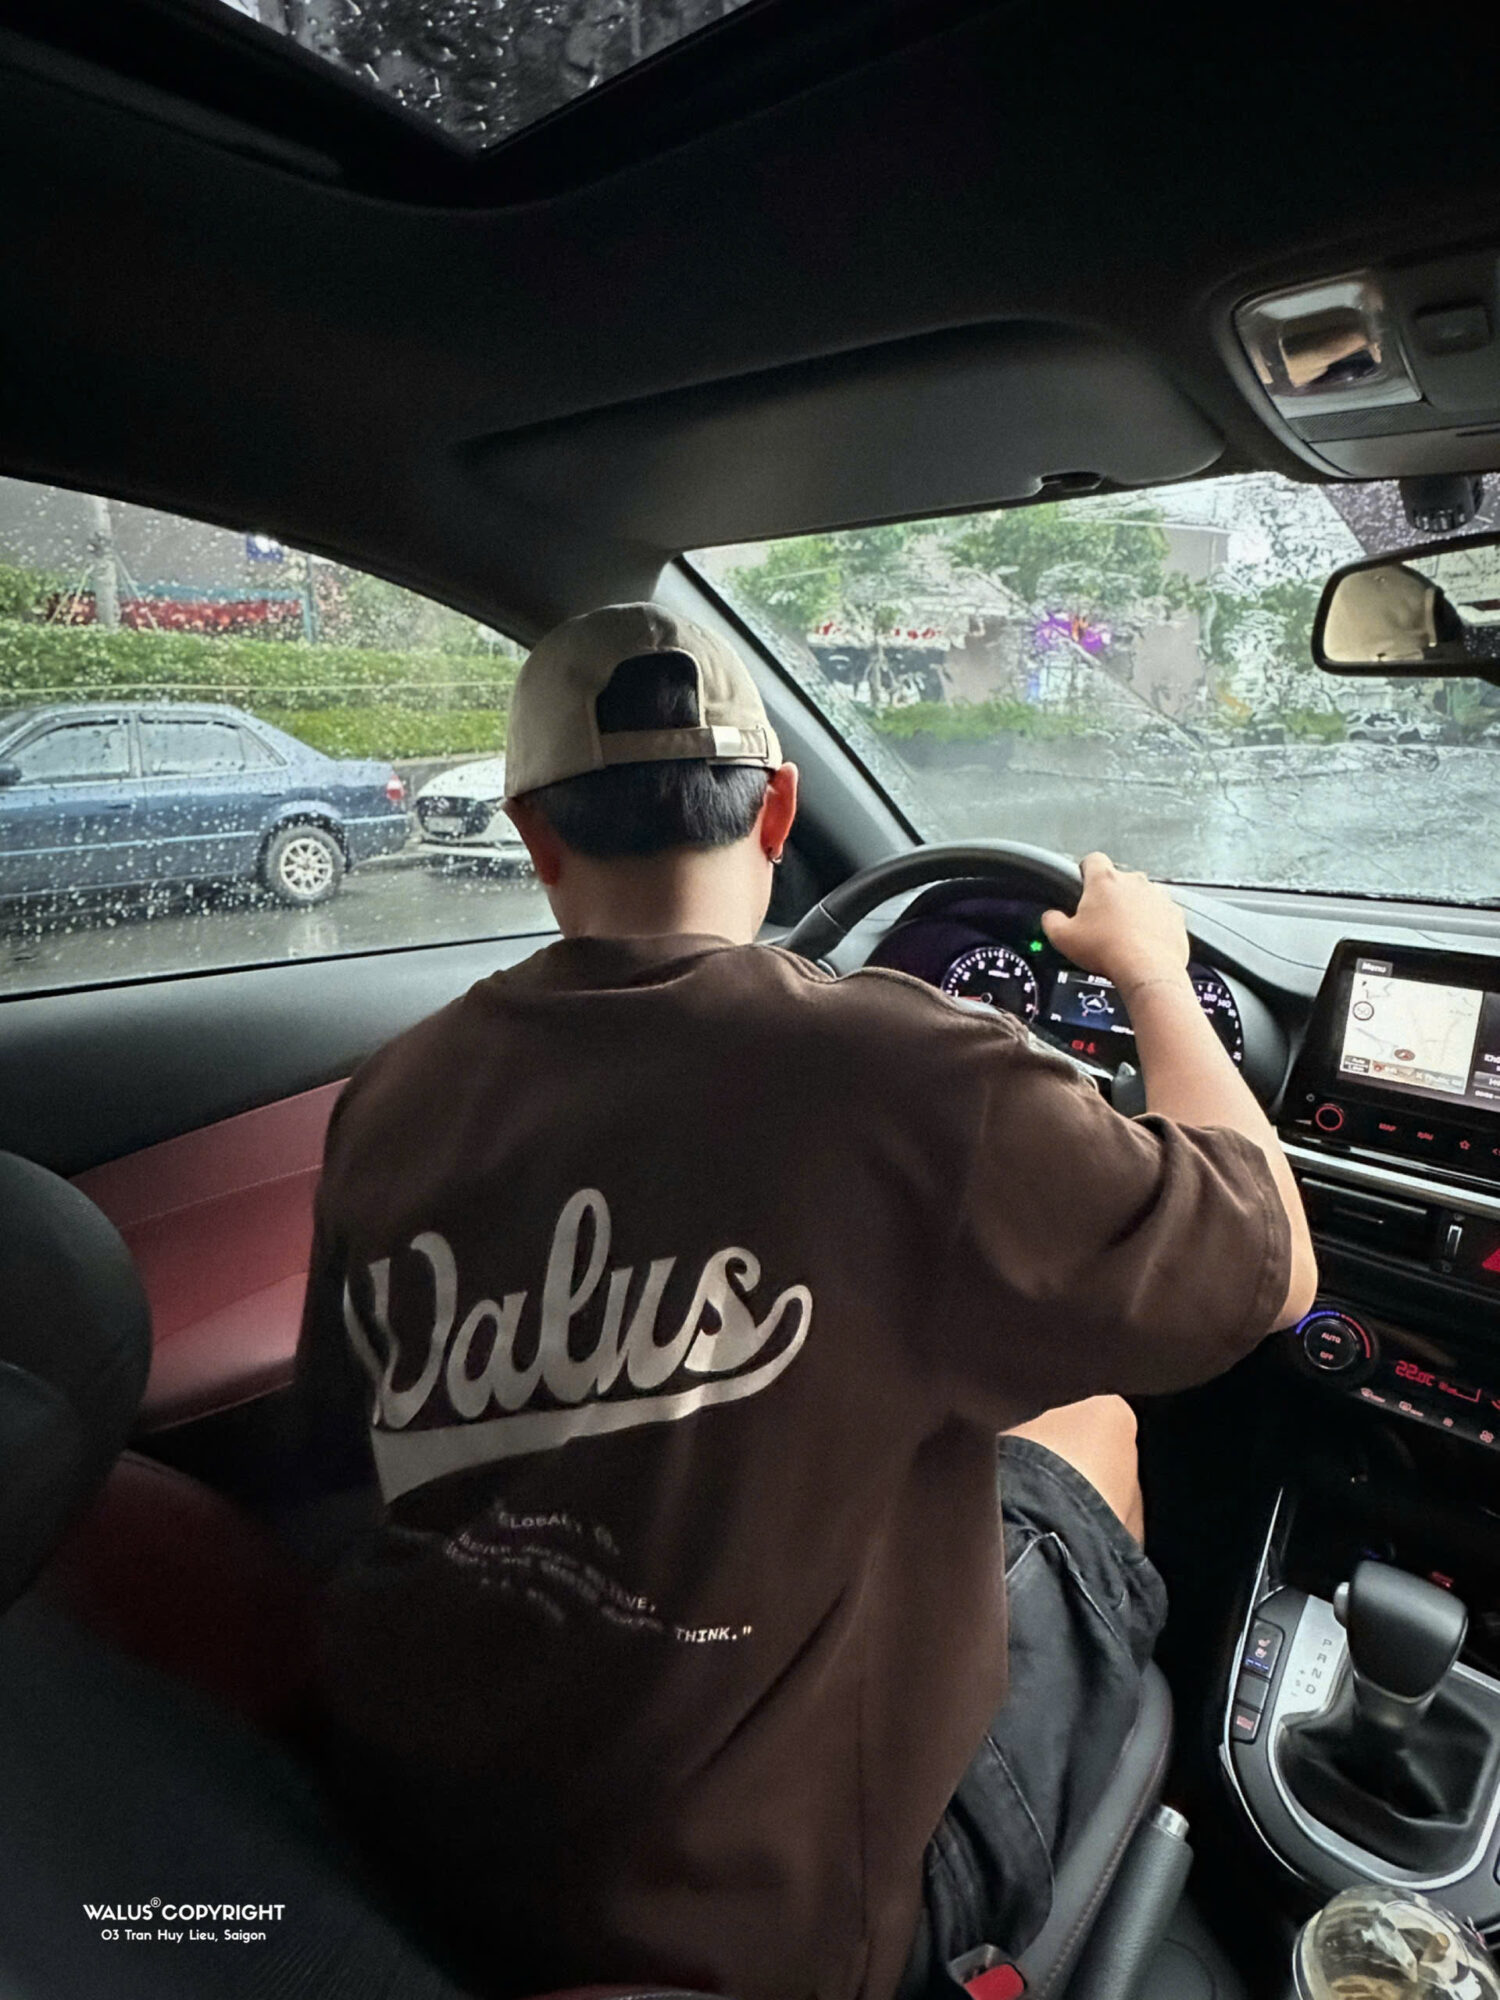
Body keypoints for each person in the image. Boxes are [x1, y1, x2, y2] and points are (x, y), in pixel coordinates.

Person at [295, 603, 1317, 2000]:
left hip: (425, 1831)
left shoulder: (392, 1092)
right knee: (1097, 1419)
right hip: (770, 1930)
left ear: (534, 833)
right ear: (778, 810)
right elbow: (1273, 1265)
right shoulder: (913, 1078)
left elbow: (344, 1461)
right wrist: (1149, 970)